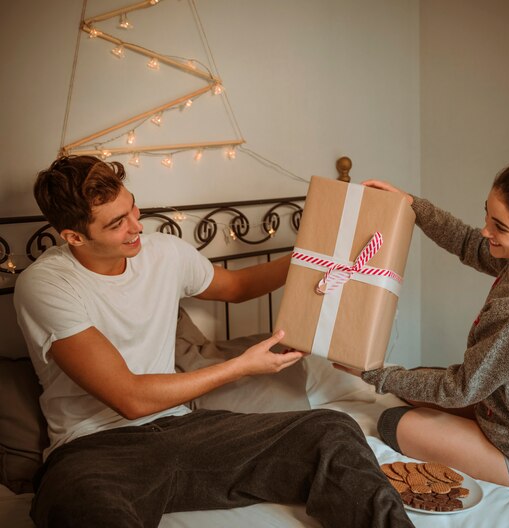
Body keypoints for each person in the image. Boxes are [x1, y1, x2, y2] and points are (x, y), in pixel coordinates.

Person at [13, 155, 414, 528]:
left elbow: (237, 286)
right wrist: (241, 365)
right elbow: (130, 398)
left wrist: (316, 255)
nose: (137, 225)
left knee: (331, 428)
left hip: (185, 432)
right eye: (116, 223)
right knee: (81, 509)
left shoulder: (164, 253)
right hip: (92, 452)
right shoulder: (46, 285)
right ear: (74, 237)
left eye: (132, 207)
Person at [337, 143, 509, 491]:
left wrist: (371, 374)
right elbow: (468, 243)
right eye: (487, 216)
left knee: (392, 423)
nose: (485, 231)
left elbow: (460, 387)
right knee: (412, 382)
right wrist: (413, 205)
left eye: (499, 227)